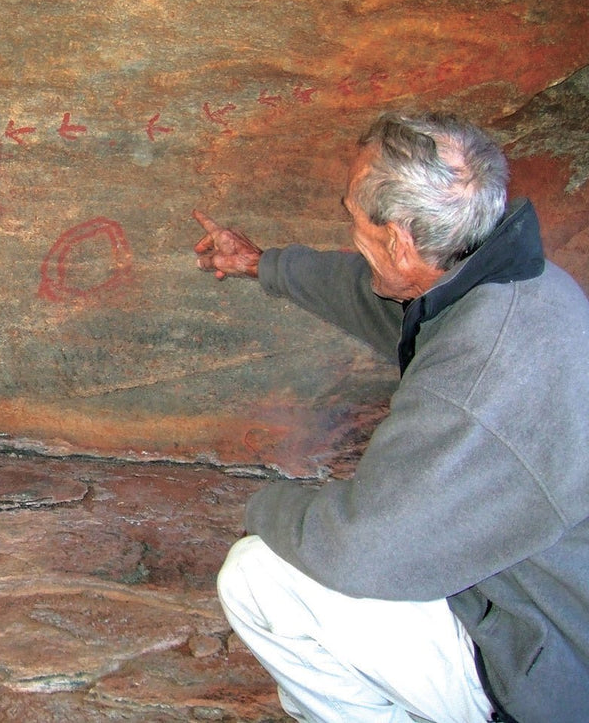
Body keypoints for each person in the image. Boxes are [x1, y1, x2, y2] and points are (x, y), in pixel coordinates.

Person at [193, 112, 589, 723]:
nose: (348, 226)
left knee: (259, 576)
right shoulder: (515, 286)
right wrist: (261, 265)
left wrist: (262, 514)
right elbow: (375, 297)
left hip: (545, 666)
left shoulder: (475, 382)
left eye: (353, 216)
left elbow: (365, 551)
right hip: (547, 596)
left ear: (400, 241)